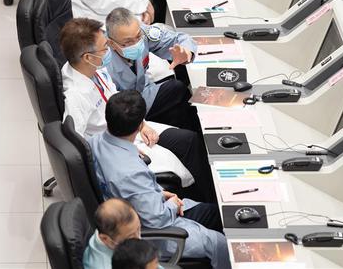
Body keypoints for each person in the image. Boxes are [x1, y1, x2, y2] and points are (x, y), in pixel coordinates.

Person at [60, 18, 216, 201]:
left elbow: (114, 98)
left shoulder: (94, 69)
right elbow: (78, 149)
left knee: (190, 141)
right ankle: (204, 206)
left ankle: (208, 199)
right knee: (184, 148)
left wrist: (142, 125)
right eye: (104, 47)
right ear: (87, 57)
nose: (109, 50)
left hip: (131, 130)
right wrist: (121, 149)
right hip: (115, 147)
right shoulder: (76, 95)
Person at [89, 90, 231, 269]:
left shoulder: (94, 142)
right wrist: (172, 203)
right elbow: (157, 220)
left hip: (145, 206)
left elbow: (136, 192)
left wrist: (160, 194)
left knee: (218, 214)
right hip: (156, 231)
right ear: (141, 124)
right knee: (220, 244)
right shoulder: (131, 173)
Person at [105, 8, 201, 133]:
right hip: (126, 110)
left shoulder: (141, 32)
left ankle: (196, 132)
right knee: (176, 90)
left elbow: (178, 38)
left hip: (144, 92)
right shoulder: (103, 63)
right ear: (111, 43)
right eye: (128, 42)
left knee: (179, 93)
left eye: (138, 37)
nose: (136, 43)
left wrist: (186, 51)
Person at [83, 198, 142, 269]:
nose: (139, 239)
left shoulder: (105, 230)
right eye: (130, 238)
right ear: (105, 239)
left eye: (138, 228)